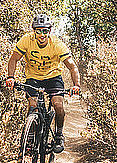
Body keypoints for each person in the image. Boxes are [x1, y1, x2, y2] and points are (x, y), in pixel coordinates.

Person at [6, 14, 80, 153]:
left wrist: (76, 85)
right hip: (33, 77)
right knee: (32, 105)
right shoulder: (26, 40)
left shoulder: (57, 44)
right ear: (34, 31)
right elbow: (14, 59)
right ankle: (30, 138)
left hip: (53, 77)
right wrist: (10, 77)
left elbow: (72, 66)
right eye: (38, 31)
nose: (41, 34)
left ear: (50, 31)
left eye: (45, 31)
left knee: (58, 104)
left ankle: (58, 135)